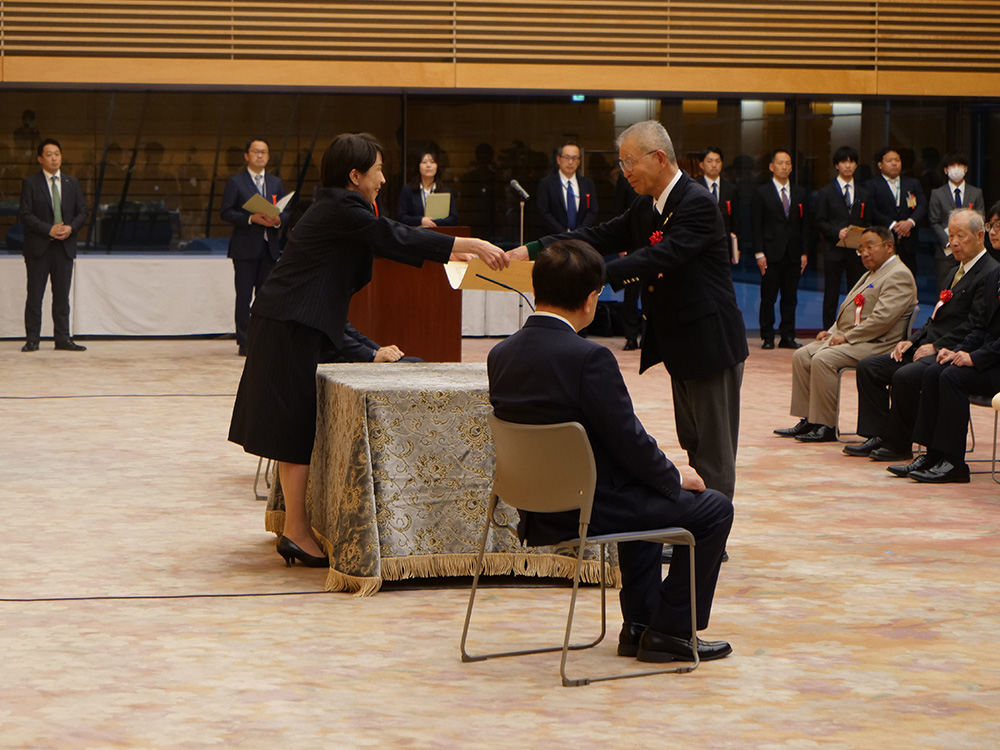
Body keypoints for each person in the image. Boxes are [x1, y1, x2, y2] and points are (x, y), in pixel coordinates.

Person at [228, 133, 507, 568]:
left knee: (295, 422)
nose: (382, 178)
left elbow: (384, 235)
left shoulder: (342, 207)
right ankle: (297, 532)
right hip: (289, 322)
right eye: (376, 170)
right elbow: (389, 235)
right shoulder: (342, 206)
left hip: (297, 320)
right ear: (354, 175)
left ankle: (296, 527)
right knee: (292, 425)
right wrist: (464, 245)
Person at [488, 239, 734, 664]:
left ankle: (640, 624)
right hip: (585, 509)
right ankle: (671, 634)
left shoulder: (501, 354)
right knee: (712, 508)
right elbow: (630, 441)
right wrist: (676, 476)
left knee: (643, 490)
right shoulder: (589, 358)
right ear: (590, 300)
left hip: (532, 508)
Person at [510, 120, 747, 502]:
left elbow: (662, 256)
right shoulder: (646, 206)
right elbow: (598, 236)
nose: (625, 172)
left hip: (710, 342)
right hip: (681, 342)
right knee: (693, 440)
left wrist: (588, 276)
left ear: (658, 158)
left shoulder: (697, 202)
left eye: (629, 163)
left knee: (714, 450)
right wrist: (536, 249)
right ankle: (700, 523)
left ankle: (710, 536)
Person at [848, 209, 997, 460]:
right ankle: (879, 434)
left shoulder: (989, 273)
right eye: (951, 235)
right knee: (870, 367)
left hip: (953, 348)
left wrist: (937, 347)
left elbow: (973, 325)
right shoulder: (954, 270)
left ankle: (900, 444)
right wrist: (911, 341)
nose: (954, 242)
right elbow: (935, 317)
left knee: (906, 375)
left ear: (980, 235)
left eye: (961, 235)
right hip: (928, 344)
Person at [774, 226, 917, 443]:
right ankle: (810, 419)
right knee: (802, 356)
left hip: (879, 343)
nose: (865, 253)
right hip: (857, 337)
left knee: (824, 359)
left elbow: (882, 320)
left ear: (889, 246)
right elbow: (849, 311)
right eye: (861, 249)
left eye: (870, 247)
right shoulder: (874, 272)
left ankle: (826, 425)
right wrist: (831, 332)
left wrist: (848, 337)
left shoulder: (899, 274)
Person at [899, 258, 1000, 484]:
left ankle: (954, 462)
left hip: (995, 364)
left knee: (953, 377)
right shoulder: (995, 277)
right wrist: (958, 351)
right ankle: (932, 455)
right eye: (992, 226)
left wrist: (974, 357)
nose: (994, 232)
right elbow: (979, 328)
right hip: (989, 361)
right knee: (935, 370)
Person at [220, 138, 290, 356]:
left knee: (266, 296)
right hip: (245, 247)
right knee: (243, 296)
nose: (260, 156)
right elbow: (226, 211)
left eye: (264, 152)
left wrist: (278, 221)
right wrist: (251, 219)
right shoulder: (236, 182)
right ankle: (244, 341)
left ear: (268, 157)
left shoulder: (276, 182)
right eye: (256, 152)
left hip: (269, 247)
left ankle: (264, 338)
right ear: (247, 156)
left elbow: (286, 212)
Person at [19, 138, 89, 352]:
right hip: (39, 248)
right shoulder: (31, 183)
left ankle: (62, 338)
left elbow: (83, 212)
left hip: (64, 247)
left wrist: (71, 228)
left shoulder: (71, 183)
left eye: (57, 153)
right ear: (40, 159)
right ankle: (33, 339)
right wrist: (48, 229)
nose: (54, 158)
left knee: (62, 296)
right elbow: (25, 214)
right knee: (35, 295)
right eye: (49, 154)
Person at [815, 146, 880, 330]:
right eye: (844, 162)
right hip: (833, 249)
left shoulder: (864, 192)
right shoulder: (826, 192)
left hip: (856, 250)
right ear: (837, 165)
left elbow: (869, 221)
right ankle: (828, 330)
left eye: (851, 162)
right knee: (831, 293)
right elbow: (819, 221)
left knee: (857, 291)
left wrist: (862, 233)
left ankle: (854, 328)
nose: (848, 165)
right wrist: (837, 232)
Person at [751, 148, 809, 350]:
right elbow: (756, 225)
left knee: (790, 298)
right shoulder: (762, 192)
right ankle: (767, 336)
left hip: (793, 253)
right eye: (780, 163)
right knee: (768, 298)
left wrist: (804, 252)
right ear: (771, 166)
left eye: (788, 163)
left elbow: (804, 225)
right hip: (770, 252)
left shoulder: (800, 192)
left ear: (791, 167)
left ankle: (788, 336)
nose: (784, 167)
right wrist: (759, 252)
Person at [864, 148, 927, 274]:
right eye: (889, 161)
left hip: (908, 242)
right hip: (883, 240)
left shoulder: (912, 183)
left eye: (897, 160)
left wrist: (910, 222)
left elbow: (922, 205)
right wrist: (894, 225)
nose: (894, 163)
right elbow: (871, 209)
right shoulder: (871, 185)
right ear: (880, 165)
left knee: (908, 277)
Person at [929, 154, 985, 291]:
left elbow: (981, 218)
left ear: (965, 169)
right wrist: (949, 242)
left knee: (970, 288)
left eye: (959, 166)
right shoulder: (937, 193)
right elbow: (933, 221)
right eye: (952, 166)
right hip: (946, 251)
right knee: (945, 290)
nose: (956, 169)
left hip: (970, 248)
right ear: (945, 170)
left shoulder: (976, 193)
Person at [536, 141, 599, 235]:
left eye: (574, 158)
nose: (570, 162)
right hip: (554, 238)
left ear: (579, 161)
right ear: (558, 159)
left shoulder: (587, 184)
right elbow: (544, 213)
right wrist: (564, 234)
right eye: (566, 157)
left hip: (581, 239)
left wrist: (578, 233)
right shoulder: (546, 184)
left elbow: (593, 211)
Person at [696, 146, 739, 264]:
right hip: (700, 245)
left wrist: (737, 247)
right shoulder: (694, 187)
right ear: (701, 165)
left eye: (717, 161)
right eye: (709, 161)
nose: (714, 165)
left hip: (724, 245)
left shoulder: (731, 189)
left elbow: (735, 219)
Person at [396, 145, 458, 227]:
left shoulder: (445, 192)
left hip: (439, 235)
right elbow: (401, 217)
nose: (428, 165)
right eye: (424, 162)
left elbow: (454, 218)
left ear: (437, 166)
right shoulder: (408, 191)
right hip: (415, 235)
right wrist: (420, 220)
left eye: (432, 162)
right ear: (418, 166)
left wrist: (432, 223)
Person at [320, 321, 423, 364]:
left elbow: (348, 330)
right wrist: (372, 355)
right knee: (410, 367)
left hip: (346, 354)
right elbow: (329, 334)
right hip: (328, 360)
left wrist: (379, 350)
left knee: (417, 362)